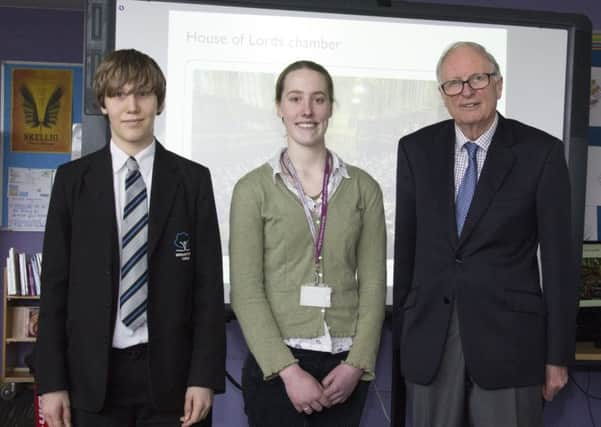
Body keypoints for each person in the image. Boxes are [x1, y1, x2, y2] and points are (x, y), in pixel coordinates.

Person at [35, 49, 225, 427]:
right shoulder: (72, 181)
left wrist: (204, 377)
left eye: (143, 93)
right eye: (119, 95)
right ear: (103, 104)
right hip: (91, 381)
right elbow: (55, 287)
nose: (132, 106)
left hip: (174, 382)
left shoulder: (193, 181)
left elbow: (207, 290)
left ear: (159, 102)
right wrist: (51, 382)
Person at [393, 40, 579, 427]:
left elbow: (561, 265)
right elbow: (407, 252)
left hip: (511, 346)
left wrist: (558, 356)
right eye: (454, 83)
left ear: (498, 84)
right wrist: (404, 340)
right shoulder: (415, 150)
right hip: (432, 342)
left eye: (477, 78)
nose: (467, 91)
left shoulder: (541, 153)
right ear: (443, 95)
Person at [229, 60, 386, 427]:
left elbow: (375, 285)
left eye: (318, 99)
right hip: (278, 370)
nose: (307, 110)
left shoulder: (364, 188)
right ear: (279, 108)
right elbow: (246, 290)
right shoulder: (252, 190)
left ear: (330, 107)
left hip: (344, 371)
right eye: (295, 98)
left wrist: (356, 365)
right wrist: (288, 371)